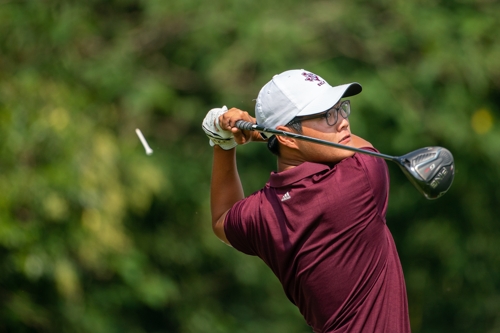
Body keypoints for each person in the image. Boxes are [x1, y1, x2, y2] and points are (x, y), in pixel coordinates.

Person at [201, 69, 411, 333]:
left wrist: (222, 142)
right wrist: (259, 130)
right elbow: (359, 148)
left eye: (341, 109)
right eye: (327, 115)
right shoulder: (360, 180)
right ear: (288, 136)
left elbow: (222, 218)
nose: (343, 122)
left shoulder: (262, 213)